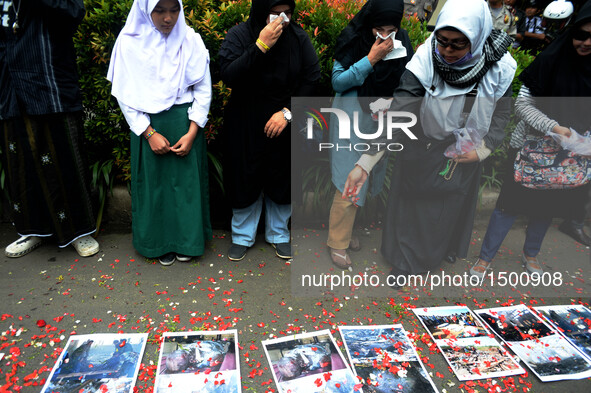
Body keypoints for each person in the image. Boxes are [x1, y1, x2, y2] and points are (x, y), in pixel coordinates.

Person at [343, 0, 516, 281]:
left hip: (467, 147)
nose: (447, 51)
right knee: (416, 205)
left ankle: (443, 250)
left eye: (458, 44)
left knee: (450, 206)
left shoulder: (501, 66)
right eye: (442, 41)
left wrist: (482, 151)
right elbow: (401, 112)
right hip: (424, 141)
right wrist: (365, 163)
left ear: (478, 37)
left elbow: (501, 114)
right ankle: (404, 261)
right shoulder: (425, 58)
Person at [470, 0, 591, 278]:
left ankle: (531, 255)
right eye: (580, 35)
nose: (585, 43)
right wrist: (554, 128)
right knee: (509, 205)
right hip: (531, 148)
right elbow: (523, 105)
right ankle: (485, 258)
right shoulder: (551, 59)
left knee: (547, 208)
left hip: (573, 155)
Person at [107, 0, 212, 266]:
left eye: (174, 9)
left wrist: (192, 132)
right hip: (148, 126)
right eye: (160, 10)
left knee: (185, 186)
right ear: (145, 9)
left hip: (184, 123)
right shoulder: (129, 42)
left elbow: (203, 89)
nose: (168, 18)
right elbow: (126, 96)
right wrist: (148, 132)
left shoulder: (190, 40)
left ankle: (187, 241)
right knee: (155, 186)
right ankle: (157, 243)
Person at [218, 0, 320, 262]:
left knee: (282, 175)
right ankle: (242, 235)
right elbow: (228, 74)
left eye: (287, 13)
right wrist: (260, 46)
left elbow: (312, 77)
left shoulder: (298, 38)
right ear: (261, 11)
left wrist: (288, 113)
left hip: (284, 118)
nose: (282, 19)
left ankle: (278, 234)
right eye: (275, 13)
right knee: (244, 174)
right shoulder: (239, 35)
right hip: (244, 119)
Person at [0, 0, 100, 258]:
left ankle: (79, 231)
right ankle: (32, 230)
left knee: (63, 159)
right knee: (20, 163)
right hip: (10, 84)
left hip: (49, 82)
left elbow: (75, 12)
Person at [327, 0, 414, 268]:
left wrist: (393, 99)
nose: (385, 37)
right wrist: (370, 59)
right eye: (379, 29)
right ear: (368, 24)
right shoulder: (354, 39)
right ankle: (337, 242)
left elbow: (408, 80)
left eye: (391, 29)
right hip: (351, 118)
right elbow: (338, 81)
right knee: (348, 177)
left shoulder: (403, 42)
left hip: (380, 120)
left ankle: (348, 232)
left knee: (370, 173)